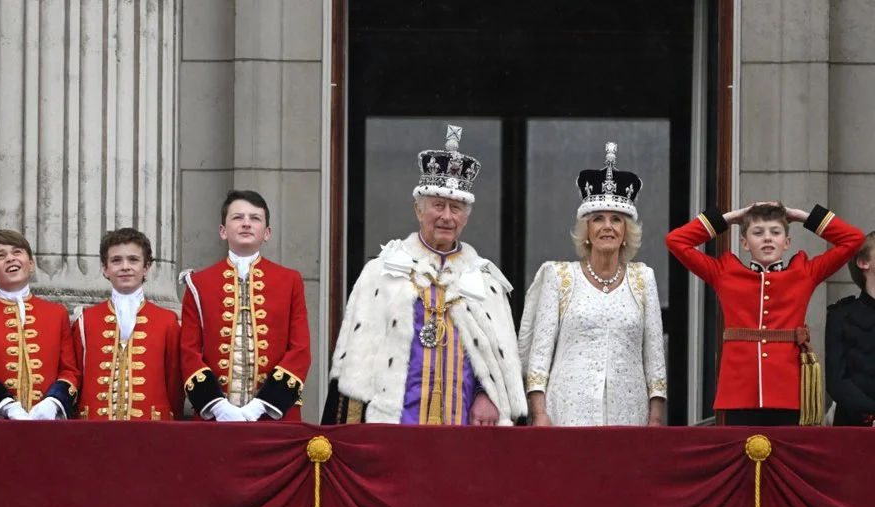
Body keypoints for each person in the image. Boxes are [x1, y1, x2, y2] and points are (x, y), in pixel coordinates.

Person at [322, 125, 527, 425]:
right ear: (419, 210)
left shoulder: (486, 282)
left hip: (464, 432)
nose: (446, 216)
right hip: (394, 426)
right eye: (438, 205)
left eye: (456, 208)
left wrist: (487, 394)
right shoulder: (381, 273)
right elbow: (356, 361)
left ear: (465, 218)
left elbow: (497, 359)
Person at [666, 201, 864, 426]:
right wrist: (731, 217)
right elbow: (676, 241)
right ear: (744, 242)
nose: (767, 238)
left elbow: (854, 239)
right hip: (739, 393)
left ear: (787, 242)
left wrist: (800, 216)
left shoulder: (804, 274)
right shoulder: (725, 274)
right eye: (758, 233)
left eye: (775, 232)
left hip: (788, 393)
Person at [519, 142, 666, 427]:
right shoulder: (559, 277)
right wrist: (539, 414)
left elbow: (655, 356)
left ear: (626, 232)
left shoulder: (643, 278)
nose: (607, 226)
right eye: (598, 219)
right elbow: (539, 355)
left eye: (616, 220)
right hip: (567, 411)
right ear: (586, 230)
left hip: (628, 411)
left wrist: (656, 418)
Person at [180, 190, 310, 422]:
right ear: (222, 231)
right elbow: (189, 352)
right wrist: (217, 406)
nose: (246, 224)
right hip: (215, 418)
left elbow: (300, 350)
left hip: (275, 416)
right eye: (238, 217)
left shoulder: (290, 281)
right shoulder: (198, 283)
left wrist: (263, 404)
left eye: (255, 218)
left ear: (267, 233)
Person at [0, 230, 81, 419]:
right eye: (0, 256)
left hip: (47, 425)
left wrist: (54, 402)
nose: (10, 258)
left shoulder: (57, 313)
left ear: (31, 264)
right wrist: (6, 406)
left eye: (17, 252)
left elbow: (70, 369)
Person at [72, 228, 183, 420]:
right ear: (105, 268)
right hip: (93, 428)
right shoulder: (85, 320)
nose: (125, 267)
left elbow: (174, 382)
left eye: (133, 260)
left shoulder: (167, 321)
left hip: (151, 427)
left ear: (146, 267)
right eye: (116, 260)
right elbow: (77, 375)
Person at [825, 231, 875, 426]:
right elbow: (837, 381)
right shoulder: (841, 315)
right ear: (863, 262)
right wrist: (871, 413)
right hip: (854, 429)